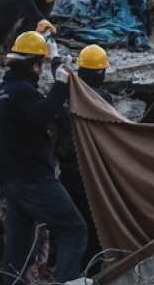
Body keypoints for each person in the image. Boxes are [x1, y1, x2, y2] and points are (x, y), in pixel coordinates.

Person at [0, 31, 86, 285]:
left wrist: (55, 59)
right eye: (41, 65)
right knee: (74, 228)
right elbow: (41, 113)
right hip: (34, 177)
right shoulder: (23, 91)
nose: (41, 70)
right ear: (34, 66)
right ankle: (67, 281)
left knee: (18, 245)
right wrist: (61, 85)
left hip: (9, 180)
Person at [55, 44, 114, 276]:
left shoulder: (63, 96)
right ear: (101, 73)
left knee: (72, 226)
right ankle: (88, 275)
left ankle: (68, 271)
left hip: (66, 171)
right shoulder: (102, 99)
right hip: (90, 172)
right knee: (95, 227)